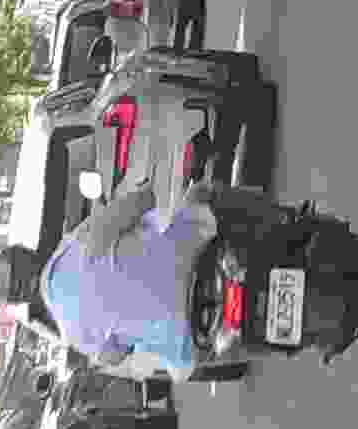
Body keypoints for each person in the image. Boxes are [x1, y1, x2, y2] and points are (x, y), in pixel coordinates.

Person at [23, 157, 222, 382]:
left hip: (185, 335)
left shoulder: (71, 332)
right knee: (202, 193)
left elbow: (113, 356)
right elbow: (138, 203)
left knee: (196, 359)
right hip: (191, 249)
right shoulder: (73, 246)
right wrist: (147, 190)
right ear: (32, 255)